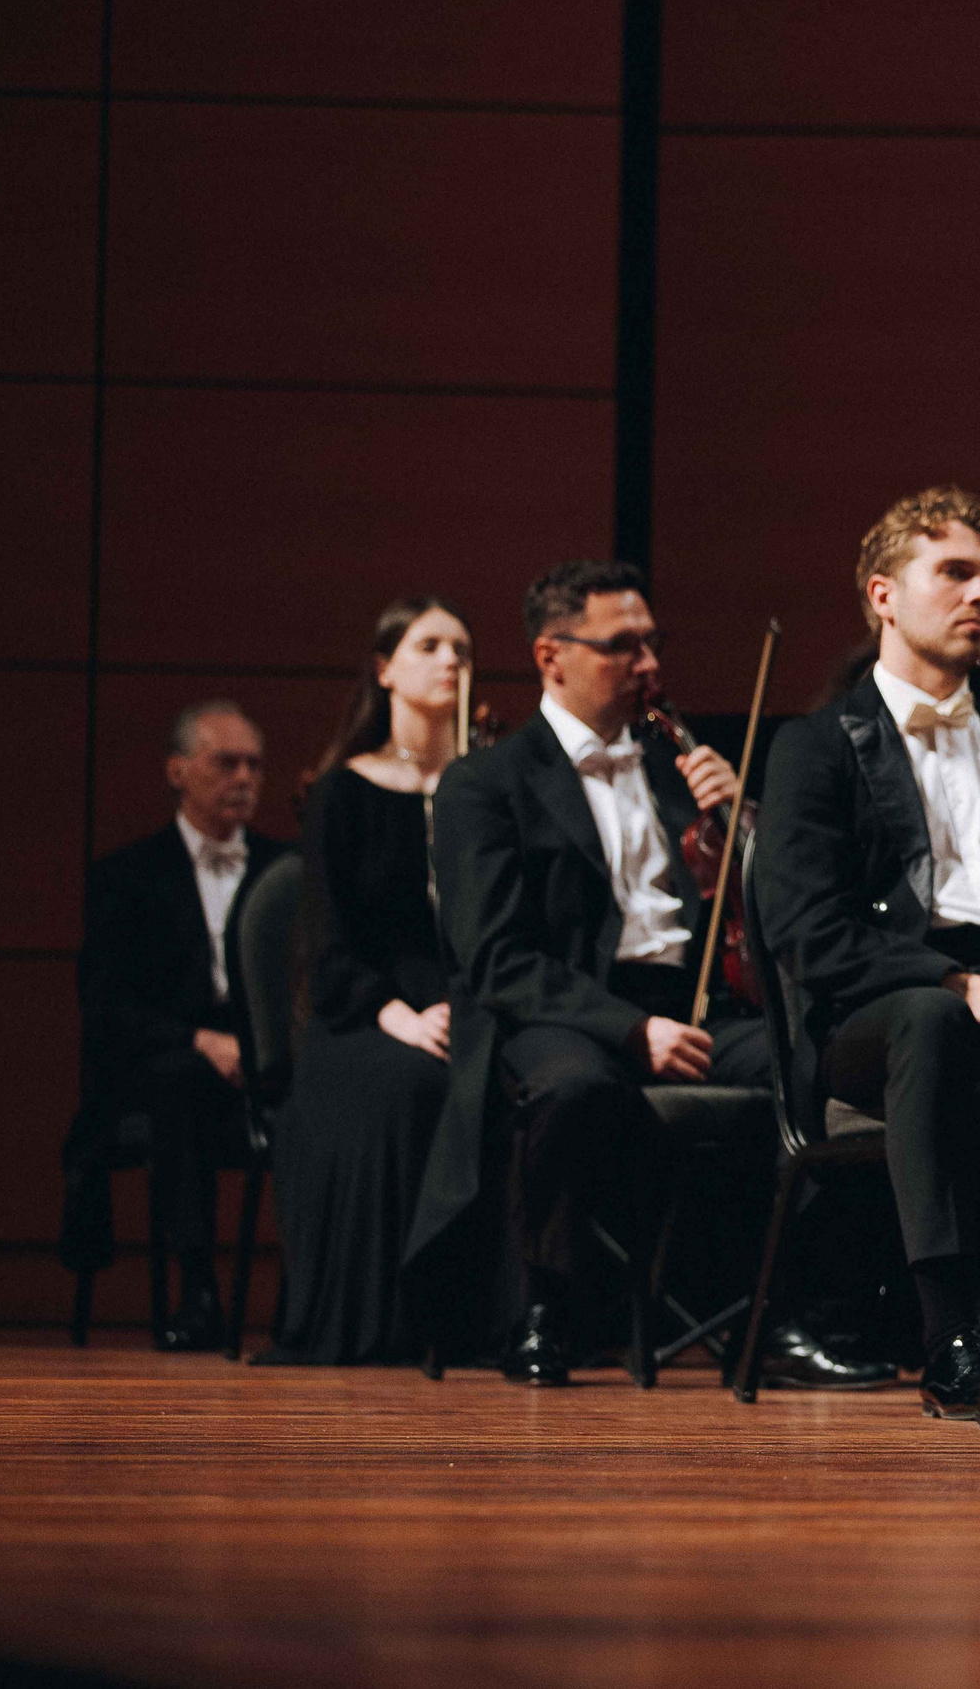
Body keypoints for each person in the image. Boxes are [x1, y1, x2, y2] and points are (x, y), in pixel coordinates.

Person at [410, 561, 788, 1386]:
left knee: (809, 1066)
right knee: (574, 1088)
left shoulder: (674, 772)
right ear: (552, 656)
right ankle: (541, 1310)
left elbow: (752, 922)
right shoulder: (484, 782)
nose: (649, 665)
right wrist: (628, 1029)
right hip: (561, 1012)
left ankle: (781, 1313)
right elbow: (496, 957)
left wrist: (740, 827)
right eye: (623, 646)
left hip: (689, 1007)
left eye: (652, 643)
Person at [756, 487, 980, 1418]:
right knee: (934, 1023)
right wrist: (955, 979)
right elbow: (808, 933)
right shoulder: (816, 746)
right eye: (954, 572)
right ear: (883, 595)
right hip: (878, 1007)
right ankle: (952, 1336)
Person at [257, 598, 469, 1364]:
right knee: (414, 1081)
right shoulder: (342, 790)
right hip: (361, 1017)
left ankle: (494, 1323)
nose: (450, 660)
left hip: (461, 1003)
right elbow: (329, 939)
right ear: (385, 669)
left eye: (461, 649)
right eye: (430, 645)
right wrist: (402, 1015)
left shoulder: (480, 787)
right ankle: (403, 1321)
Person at [64, 700, 289, 1350]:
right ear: (178, 771)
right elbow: (106, 1003)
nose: (244, 777)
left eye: (254, 764)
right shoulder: (126, 875)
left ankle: (312, 1302)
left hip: (262, 1060)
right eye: (226, 762)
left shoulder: (285, 869)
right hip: (170, 1060)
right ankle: (198, 1292)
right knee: (178, 1085)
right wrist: (201, 1040)